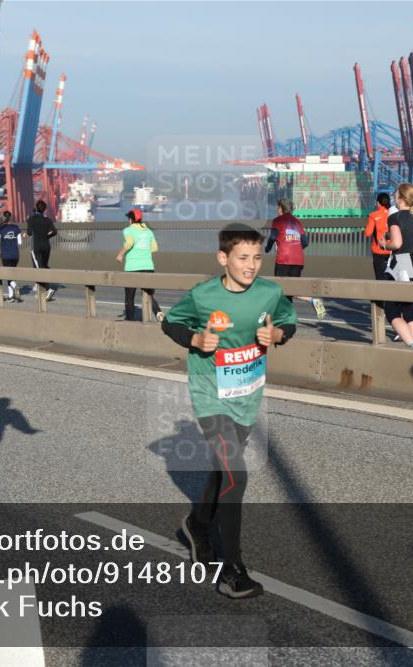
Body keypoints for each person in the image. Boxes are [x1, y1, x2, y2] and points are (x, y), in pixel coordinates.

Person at [161, 224, 298, 599]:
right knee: (236, 474)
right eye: (242, 258)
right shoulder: (203, 295)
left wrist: (278, 335)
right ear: (223, 259)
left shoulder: (270, 292)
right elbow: (170, 322)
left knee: (223, 471)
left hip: (247, 397)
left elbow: (288, 320)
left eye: (257, 258)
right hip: (211, 396)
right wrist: (196, 338)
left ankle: (197, 525)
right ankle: (233, 571)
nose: (251, 265)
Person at [381, 183, 413, 349]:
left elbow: (397, 243)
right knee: (410, 314)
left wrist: (384, 244)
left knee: (392, 311)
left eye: (395, 195)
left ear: (400, 198)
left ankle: (412, 346)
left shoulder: (395, 217)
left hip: (401, 269)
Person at [264, 198, 327, 319]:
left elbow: (272, 237)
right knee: (293, 287)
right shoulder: (297, 222)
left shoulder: (278, 220)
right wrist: (296, 248)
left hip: (284, 259)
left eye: (278, 207)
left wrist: (267, 248)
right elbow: (305, 242)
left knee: (280, 287)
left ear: (281, 208)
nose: (277, 210)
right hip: (298, 260)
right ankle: (312, 301)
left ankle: (284, 316)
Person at [116, 209, 163, 321]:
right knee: (148, 294)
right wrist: (143, 252)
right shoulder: (148, 231)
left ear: (131, 220)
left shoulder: (128, 230)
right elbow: (155, 248)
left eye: (128, 218)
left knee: (129, 296)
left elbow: (129, 243)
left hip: (132, 267)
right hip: (148, 266)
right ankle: (158, 313)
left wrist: (120, 255)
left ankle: (130, 320)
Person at [26, 199, 58, 301]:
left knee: (38, 269)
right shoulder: (48, 220)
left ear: (36, 208)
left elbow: (29, 233)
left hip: (36, 247)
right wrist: (46, 237)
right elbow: (54, 232)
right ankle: (42, 291)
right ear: (45, 210)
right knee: (43, 266)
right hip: (46, 246)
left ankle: (47, 289)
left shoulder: (31, 219)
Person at [0, 210, 22, 303]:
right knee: (11, 274)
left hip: (6, 255)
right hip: (15, 255)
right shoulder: (16, 228)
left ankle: (15, 286)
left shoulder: (0, 229)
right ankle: (11, 296)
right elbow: (20, 242)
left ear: (3, 218)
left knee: (8, 275)